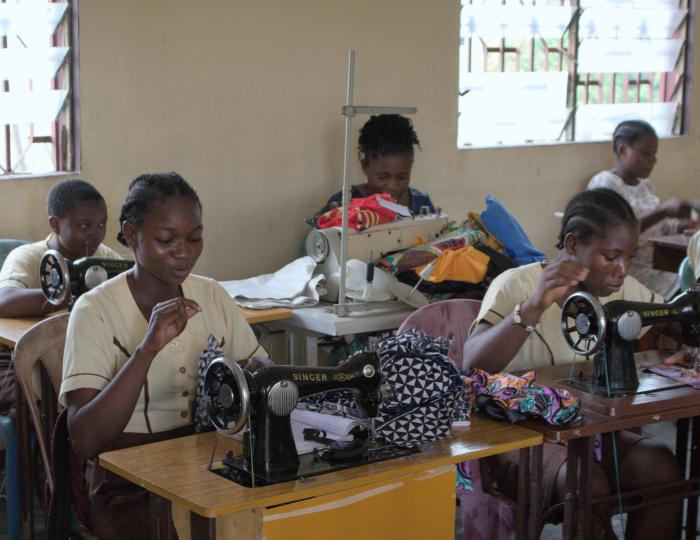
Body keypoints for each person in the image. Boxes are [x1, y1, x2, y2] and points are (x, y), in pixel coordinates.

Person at [463, 188, 683, 539]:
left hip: (587, 433)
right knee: (585, 482)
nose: (622, 270)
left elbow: (674, 318)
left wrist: (688, 335)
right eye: (611, 257)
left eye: (629, 257)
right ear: (572, 244)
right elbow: (473, 363)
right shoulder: (517, 285)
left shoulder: (622, 290)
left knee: (660, 465)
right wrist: (531, 309)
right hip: (516, 437)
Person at [59, 172, 267, 539]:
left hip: (208, 459)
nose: (183, 251)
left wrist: (253, 373)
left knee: (268, 517)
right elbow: (86, 439)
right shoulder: (95, 310)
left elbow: (263, 369)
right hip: (127, 479)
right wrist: (147, 349)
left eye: (194, 238)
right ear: (131, 233)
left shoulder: (212, 295)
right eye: (166, 239)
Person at [587, 119, 696, 299]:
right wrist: (663, 211)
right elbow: (611, 236)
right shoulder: (605, 184)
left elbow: (659, 227)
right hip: (627, 274)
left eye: (654, 154)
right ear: (623, 150)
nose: (653, 160)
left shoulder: (645, 186)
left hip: (658, 270)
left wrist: (683, 225)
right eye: (646, 153)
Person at [0, 179, 121, 317]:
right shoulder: (28, 256)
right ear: (55, 225)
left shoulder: (103, 255)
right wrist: (73, 294)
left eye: (101, 224)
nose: (96, 234)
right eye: (84, 226)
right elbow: (3, 300)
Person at [318, 114, 435, 217]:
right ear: (365, 166)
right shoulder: (344, 203)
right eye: (383, 177)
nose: (393, 186)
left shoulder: (421, 202)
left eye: (402, 177)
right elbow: (314, 241)